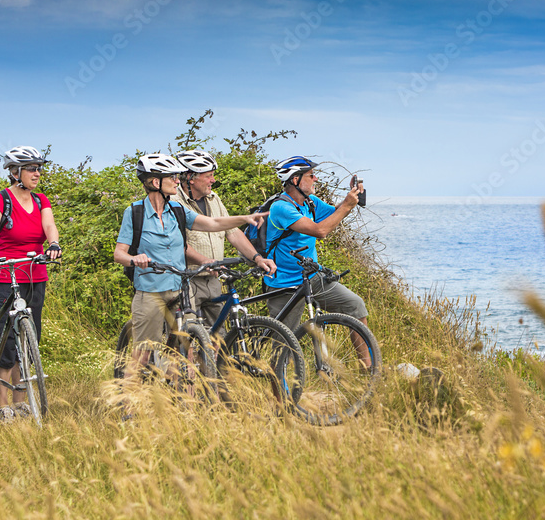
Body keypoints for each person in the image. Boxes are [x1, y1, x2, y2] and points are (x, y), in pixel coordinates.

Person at [112, 153, 266, 380]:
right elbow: (119, 254)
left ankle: (188, 407)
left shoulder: (177, 211)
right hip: (150, 292)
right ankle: (129, 410)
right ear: (156, 182)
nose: (177, 180)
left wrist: (244, 218)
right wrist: (135, 259)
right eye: (172, 177)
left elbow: (213, 224)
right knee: (144, 354)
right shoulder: (135, 213)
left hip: (178, 289)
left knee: (188, 350)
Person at [0, 145, 62, 423]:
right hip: (6, 275)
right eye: (31, 168)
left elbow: (50, 227)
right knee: (6, 341)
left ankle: (20, 403)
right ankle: (1, 404)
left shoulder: (41, 201)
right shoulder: (1, 200)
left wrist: (53, 244)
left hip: (35, 275)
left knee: (28, 341)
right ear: (15, 172)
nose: (37, 173)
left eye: (39, 168)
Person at [264, 156, 369, 338]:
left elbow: (335, 214)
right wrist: (347, 206)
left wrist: (350, 199)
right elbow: (320, 231)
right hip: (284, 283)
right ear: (295, 180)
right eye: (311, 175)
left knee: (355, 307)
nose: (316, 179)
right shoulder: (281, 208)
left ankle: (368, 367)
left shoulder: (310, 201)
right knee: (284, 343)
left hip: (311, 277)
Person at [173, 150, 276, 327]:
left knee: (218, 336)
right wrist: (206, 261)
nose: (213, 180)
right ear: (191, 178)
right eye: (209, 176)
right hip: (187, 278)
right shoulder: (174, 202)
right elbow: (177, 243)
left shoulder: (214, 199)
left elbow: (233, 232)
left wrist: (257, 258)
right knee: (187, 336)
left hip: (213, 278)